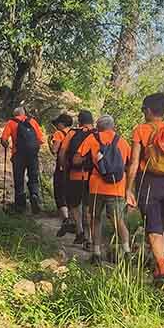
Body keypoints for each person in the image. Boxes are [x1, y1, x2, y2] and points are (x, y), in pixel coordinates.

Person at [126, 93, 164, 287]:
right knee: (161, 226)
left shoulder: (140, 130)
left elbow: (134, 163)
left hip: (150, 181)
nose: (143, 113)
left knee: (154, 227)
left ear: (149, 110)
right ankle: (159, 269)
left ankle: (163, 272)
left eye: (143, 110)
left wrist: (128, 189)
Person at [77, 115, 132, 264]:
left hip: (96, 186)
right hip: (117, 186)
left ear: (98, 126)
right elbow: (129, 165)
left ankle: (96, 253)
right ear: (113, 126)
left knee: (95, 219)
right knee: (118, 220)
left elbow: (77, 158)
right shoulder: (123, 142)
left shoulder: (92, 138)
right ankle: (127, 252)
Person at [59, 111, 96, 245]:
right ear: (92, 121)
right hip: (92, 177)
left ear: (79, 121)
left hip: (74, 175)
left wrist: (64, 168)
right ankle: (90, 239)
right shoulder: (97, 134)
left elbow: (62, 152)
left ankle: (80, 231)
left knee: (74, 205)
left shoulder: (72, 133)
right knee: (88, 208)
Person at [0, 106, 45, 214]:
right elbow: (40, 140)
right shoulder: (32, 121)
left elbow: (4, 139)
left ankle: (20, 207)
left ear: (15, 114)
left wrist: (6, 144)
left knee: (19, 179)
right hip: (32, 155)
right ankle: (34, 195)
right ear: (24, 113)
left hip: (18, 155)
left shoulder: (11, 122)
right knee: (33, 177)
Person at [50, 114, 76, 236]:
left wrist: (50, 143)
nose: (56, 126)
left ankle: (66, 219)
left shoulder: (58, 134)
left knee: (59, 192)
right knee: (70, 193)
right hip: (74, 169)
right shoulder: (74, 134)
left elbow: (55, 150)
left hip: (62, 167)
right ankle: (74, 219)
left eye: (57, 123)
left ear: (61, 124)